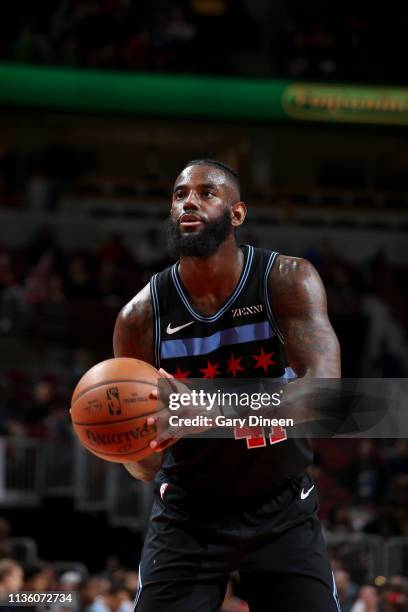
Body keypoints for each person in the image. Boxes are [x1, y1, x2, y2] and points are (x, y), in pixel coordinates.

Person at [114, 159, 341, 611]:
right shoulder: (140, 317)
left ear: (237, 214)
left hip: (281, 506)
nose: (189, 202)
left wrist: (214, 413)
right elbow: (144, 465)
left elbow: (325, 392)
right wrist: (128, 441)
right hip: (188, 513)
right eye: (180, 194)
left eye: (206, 192)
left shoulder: (286, 280)